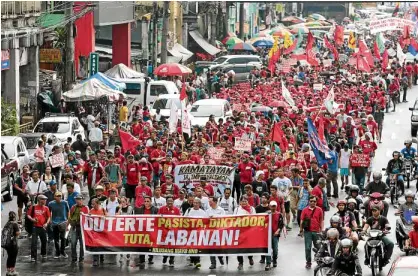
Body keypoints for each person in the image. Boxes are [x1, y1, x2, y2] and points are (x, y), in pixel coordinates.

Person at [299, 195, 324, 269]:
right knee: (308, 248)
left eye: (314, 201)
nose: (313, 203)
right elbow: (302, 221)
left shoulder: (319, 210)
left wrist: (322, 230)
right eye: (311, 201)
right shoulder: (304, 210)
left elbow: (321, 220)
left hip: (316, 232)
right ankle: (308, 262)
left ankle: (319, 261)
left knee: (318, 248)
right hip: (308, 232)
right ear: (308, 202)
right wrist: (301, 230)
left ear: (316, 202)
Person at [185, 198, 208, 268]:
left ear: (199, 204)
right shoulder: (189, 210)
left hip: (199, 233)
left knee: (197, 247)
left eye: (197, 203)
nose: (195, 204)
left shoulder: (203, 212)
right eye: (194, 202)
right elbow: (184, 219)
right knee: (191, 246)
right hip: (190, 232)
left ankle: (197, 261)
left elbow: (206, 222)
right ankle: (192, 260)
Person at [27, 194, 51, 262]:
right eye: (44, 199)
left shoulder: (46, 208)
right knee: (34, 242)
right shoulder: (33, 207)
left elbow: (49, 217)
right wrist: (32, 220)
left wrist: (47, 223)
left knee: (44, 241)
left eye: (45, 199)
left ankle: (43, 254)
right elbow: (28, 215)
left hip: (43, 227)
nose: (45, 201)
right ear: (39, 200)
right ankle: (33, 257)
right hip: (35, 227)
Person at [235, 195, 256, 270]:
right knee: (239, 248)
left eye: (245, 201)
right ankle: (240, 263)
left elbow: (255, 219)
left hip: (249, 231)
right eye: (242, 201)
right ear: (240, 202)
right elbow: (233, 219)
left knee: (249, 247)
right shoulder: (237, 209)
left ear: (248, 202)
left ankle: (250, 258)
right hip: (239, 232)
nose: (244, 202)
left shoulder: (252, 209)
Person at [48, 191, 70, 259]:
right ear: (54, 197)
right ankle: (57, 252)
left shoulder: (65, 202)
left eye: (60, 196)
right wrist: (50, 221)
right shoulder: (51, 203)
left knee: (63, 238)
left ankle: (63, 251)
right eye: (57, 196)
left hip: (63, 222)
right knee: (56, 238)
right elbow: (49, 212)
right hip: (54, 223)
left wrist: (68, 221)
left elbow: (68, 211)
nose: (58, 197)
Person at [68, 194, 89, 264]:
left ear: (82, 200)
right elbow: (70, 216)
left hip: (82, 228)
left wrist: (83, 214)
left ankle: (81, 258)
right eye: (77, 199)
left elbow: (88, 218)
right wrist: (68, 225)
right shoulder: (73, 207)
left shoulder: (86, 208)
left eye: (79, 199)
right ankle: (74, 258)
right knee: (73, 243)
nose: (78, 201)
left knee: (82, 244)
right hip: (74, 227)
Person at [206, 196, 226, 269]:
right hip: (210, 232)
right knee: (211, 248)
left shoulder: (221, 210)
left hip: (219, 232)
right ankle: (213, 263)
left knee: (219, 248)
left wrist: (215, 217)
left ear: (215, 202)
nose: (209, 203)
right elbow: (205, 221)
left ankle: (220, 257)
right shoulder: (208, 211)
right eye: (209, 202)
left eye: (210, 201)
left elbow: (224, 219)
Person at [265, 200, 283, 271]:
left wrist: (277, 231)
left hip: (275, 234)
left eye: (274, 206)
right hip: (267, 234)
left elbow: (281, 224)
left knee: (275, 249)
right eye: (272, 206)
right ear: (269, 206)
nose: (273, 207)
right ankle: (268, 263)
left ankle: (274, 260)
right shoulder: (266, 214)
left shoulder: (279, 214)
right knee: (268, 249)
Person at [89, 198, 107, 266]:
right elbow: (88, 218)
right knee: (95, 245)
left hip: (102, 231)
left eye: (94, 204)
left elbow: (107, 218)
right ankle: (95, 260)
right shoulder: (91, 211)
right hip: (94, 231)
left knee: (101, 244)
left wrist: (104, 218)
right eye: (92, 204)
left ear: (98, 203)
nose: (93, 205)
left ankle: (102, 257)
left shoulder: (102, 209)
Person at [3, 211, 20, 276]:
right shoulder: (14, 224)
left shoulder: (7, 224)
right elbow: (17, 233)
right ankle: (13, 271)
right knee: (13, 257)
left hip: (7, 243)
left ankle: (8, 271)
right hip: (13, 243)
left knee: (9, 256)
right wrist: (19, 230)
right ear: (14, 217)